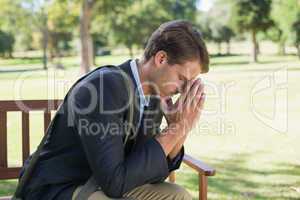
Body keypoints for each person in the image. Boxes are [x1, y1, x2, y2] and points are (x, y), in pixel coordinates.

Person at [22, 20, 209, 200]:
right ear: (161, 59)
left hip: (98, 184)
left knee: (179, 196)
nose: (183, 90)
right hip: (60, 188)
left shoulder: (153, 97)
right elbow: (115, 183)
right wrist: (177, 129)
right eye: (182, 79)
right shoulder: (105, 87)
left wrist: (179, 128)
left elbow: (147, 174)